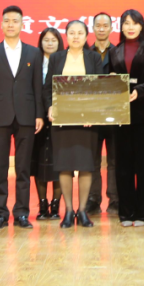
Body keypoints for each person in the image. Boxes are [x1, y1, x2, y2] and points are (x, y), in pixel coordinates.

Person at [0, 6, 45, 230]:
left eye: (15, 21)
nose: (10, 24)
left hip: (27, 115)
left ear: (22, 24)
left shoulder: (33, 53)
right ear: (1, 24)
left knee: (23, 168)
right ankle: (0, 213)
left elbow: (37, 87)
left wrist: (39, 114)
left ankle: (21, 213)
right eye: (7, 20)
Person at [109, 9, 144, 227]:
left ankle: (142, 213)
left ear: (142, 26)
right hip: (120, 113)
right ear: (121, 27)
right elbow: (110, 78)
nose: (130, 27)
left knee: (143, 165)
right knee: (123, 166)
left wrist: (140, 90)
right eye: (126, 23)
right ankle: (126, 212)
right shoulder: (115, 50)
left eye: (134, 23)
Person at [45, 20, 105, 228]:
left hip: (87, 121)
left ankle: (83, 211)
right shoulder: (56, 57)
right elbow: (48, 87)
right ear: (66, 35)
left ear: (86, 36)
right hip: (62, 119)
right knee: (65, 166)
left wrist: (92, 113)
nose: (76, 36)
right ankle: (69, 211)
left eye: (80, 33)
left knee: (86, 166)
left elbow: (99, 87)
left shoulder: (94, 57)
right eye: (72, 33)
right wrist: (50, 107)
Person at [87, 13, 118, 214]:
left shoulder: (119, 52)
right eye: (97, 25)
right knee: (92, 160)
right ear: (93, 28)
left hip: (114, 113)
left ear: (111, 28)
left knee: (115, 159)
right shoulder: (85, 53)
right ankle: (93, 199)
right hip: (91, 114)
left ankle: (115, 198)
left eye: (105, 25)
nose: (101, 28)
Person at [34, 27, 62, 220]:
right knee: (39, 164)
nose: (50, 43)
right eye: (46, 40)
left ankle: (56, 205)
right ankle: (42, 205)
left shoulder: (64, 61)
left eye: (53, 40)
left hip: (59, 118)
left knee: (59, 163)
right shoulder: (34, 61)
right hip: (37, 119)